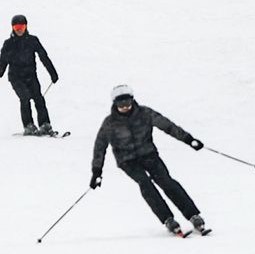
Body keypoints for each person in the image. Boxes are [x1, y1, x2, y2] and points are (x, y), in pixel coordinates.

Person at [89, 84, 208, 235]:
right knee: (145, 184)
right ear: (115, 104)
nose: (125, 107)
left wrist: (188, 139)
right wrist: (97, 171)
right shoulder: (109, 123)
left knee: (166, 181)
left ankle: (193, 215)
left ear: (132, 100)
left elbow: (168, 126)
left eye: (127, 102)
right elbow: (100, 147)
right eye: (121, 103)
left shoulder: (145, 113)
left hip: (149, 155)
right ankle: (167, 219)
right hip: (127, 161)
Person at [0, 13, 58, 134]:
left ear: (26, 27)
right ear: (12, 28)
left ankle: (45, 124)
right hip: (16, 77)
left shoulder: (32, 41)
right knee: (25, 97)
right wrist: (0, 71)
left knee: (38, 98)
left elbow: (44, 57)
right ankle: (28, 125)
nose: (19, 30)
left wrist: (52, 73)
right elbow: (3, 59)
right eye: (16, 27)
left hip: (31, 76)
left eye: (22, 27)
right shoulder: (8, 43)